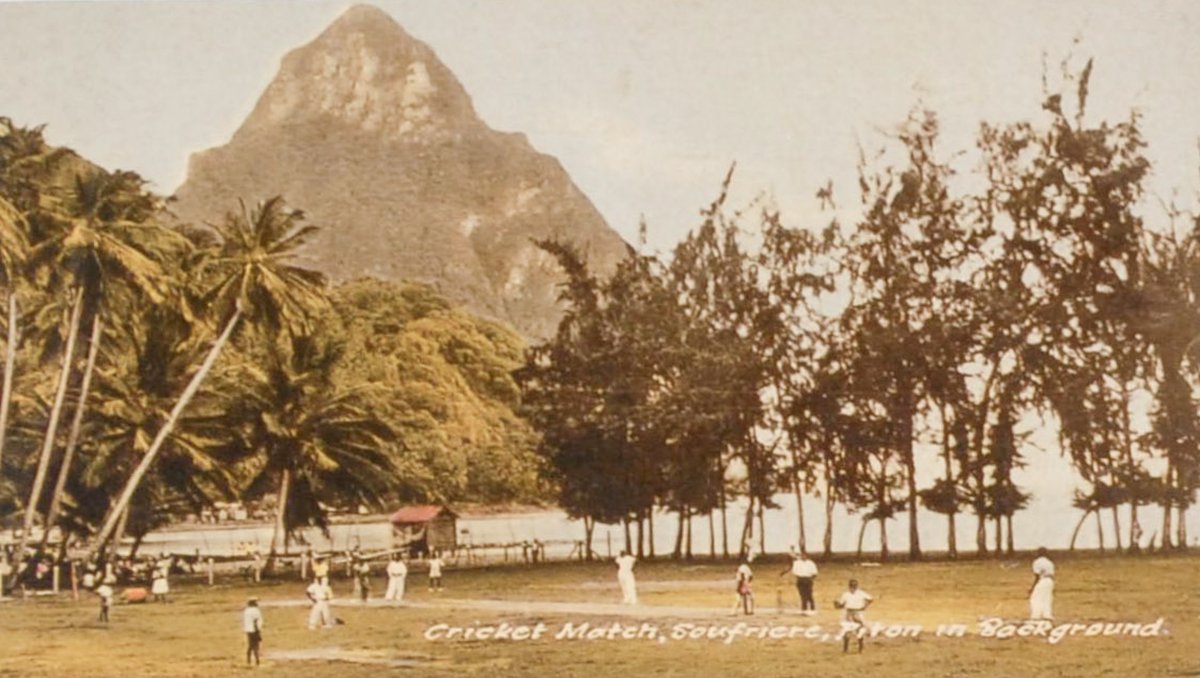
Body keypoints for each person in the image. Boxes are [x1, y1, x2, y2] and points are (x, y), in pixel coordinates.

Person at [834, 579, 874, 653]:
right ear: (849, 586)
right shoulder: (846, 594)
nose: (853, 587)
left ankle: (860, 649)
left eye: (854, 586)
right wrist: (837, 605)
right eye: (852, 586)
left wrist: (865, 606)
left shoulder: (861, 593)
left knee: (860, 631)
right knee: (847, 631)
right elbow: (841, 604)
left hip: (858, 612)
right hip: (849, 613)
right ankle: (846, 649)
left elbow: (870, 599)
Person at [780, 548, 818, 614]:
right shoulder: (797, 563)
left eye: (804, 555)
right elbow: (790, 565)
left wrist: (810, 580)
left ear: (807, 556)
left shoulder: (810, 563)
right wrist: (783, 573)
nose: (803, 557)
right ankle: (804, 608)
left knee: (809, 594)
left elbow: (815, 573)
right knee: (802, 595)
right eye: (802, 555)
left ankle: (812, 607)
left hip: (808, 579)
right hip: (800, 580)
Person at [1028, 547, 1055, 621]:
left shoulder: (1037, 562)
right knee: (1047, 598)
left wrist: (1032, 587)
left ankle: (1036, 615)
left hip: (1042, 580)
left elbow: (1037, 576)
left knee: (1035, 597)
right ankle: (1047, 615)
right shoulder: (1049, 562)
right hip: (1050, 580)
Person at [243, 597, 264, 667]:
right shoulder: (255, 611)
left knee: (250, 645)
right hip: (255, 629)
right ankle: (257, 661)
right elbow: (257, 621)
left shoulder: (246, 611)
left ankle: (248, 660)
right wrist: (258, 630)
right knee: (256, 646)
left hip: (248, 630)